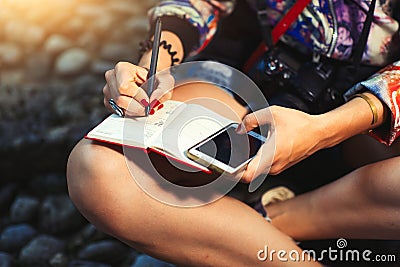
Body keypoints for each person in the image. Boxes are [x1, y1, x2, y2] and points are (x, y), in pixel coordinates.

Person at [67, 0, 400, 266]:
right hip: (250, 83)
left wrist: (324, 130)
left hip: (368, 122)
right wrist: (154, 65)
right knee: (99, 169)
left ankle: (263, 223)